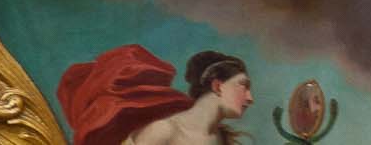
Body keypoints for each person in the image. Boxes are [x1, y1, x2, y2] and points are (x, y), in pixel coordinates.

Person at [57, 46, 254, 145]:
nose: (250, 98)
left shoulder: (220, 138)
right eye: (243, 87)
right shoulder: (163, 130)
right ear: (218, 86)